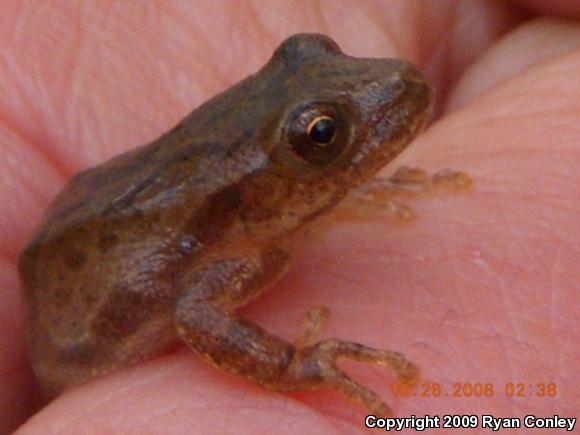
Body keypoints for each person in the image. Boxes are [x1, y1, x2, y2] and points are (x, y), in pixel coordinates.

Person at [2, 1, 579, 433]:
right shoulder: (225, 250)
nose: (385, 86)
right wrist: (293, 365)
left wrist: (340, 189)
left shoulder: (260, 211)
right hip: (78, 337)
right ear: (259, 196)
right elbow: (196, 314)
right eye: (324, 135)